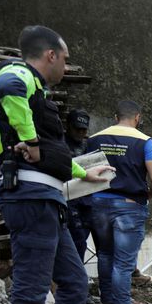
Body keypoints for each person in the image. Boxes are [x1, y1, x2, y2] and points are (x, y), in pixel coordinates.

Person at [0, 26, 114, 304]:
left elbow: (54, 159)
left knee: (73, 283)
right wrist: (29, 139)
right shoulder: (18, 75)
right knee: (31, 289)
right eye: (65, 58)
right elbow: (8, 89)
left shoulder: (37, 91)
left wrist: (86, 174)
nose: (66, 66)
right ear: (51, 55)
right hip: (29, 197)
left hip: (47, 201)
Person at [85, 100, 152, 304]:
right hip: (129, 206)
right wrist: (148, 194)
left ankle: (108, 303)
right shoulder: (145, 141)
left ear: (115, 116)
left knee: (105, 255)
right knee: (123, 264)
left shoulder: (94, 139)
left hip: (98, 204)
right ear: (137, 117)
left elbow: (84, 172)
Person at [63, 109, 94, 260]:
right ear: (68, 126)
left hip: (86, 199)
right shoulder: (60, 143)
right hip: (67, 199)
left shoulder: (88, 145)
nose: (80, 133)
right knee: (76, 241)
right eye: (77, 129)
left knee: (81, 240)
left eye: (83, 129)